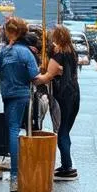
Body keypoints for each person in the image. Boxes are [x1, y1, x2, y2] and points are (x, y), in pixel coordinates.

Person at [0, 16, 38, 192]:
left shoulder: (4, 52)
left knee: (12, 128)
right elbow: (34, 75)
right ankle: (16, 176)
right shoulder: (26, 52)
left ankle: (15, 174)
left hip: (7, 94)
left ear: (10, 32)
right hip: (22, 95)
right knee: (18, 130)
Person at [34, 25, 80, 181]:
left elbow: (47, 76)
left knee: (61, 132)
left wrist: (33, 79)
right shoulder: (71, 52)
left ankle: (68, 167)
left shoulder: (58, 54)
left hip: (63, 95)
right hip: (74, 94)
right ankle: (66, 165)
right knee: (65, 130)